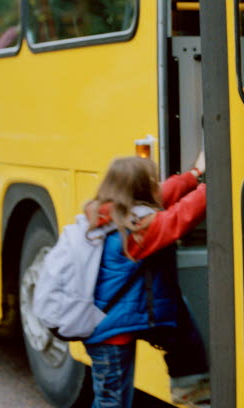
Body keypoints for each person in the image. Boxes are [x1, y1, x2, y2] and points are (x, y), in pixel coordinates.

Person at [82, 152, 209, 408]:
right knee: (111, 401)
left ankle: (191, 388)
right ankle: (192, 389)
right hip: (109, 336)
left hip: (115, 323)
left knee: (181, 328)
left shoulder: (111, 214)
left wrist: (194, 174)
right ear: (139, 188)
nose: (156, 184)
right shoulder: (133, 232)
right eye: (151, 180)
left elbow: (163, 195)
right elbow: (179, 217)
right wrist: (216, 182)